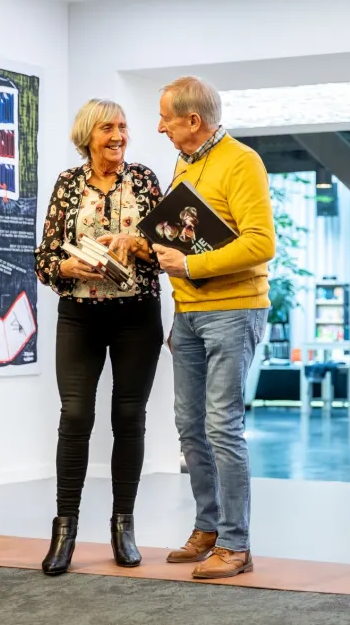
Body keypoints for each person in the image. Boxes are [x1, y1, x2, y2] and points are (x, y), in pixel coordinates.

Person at [34, 98, 165, 576]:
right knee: (75, 416)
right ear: (88, 134)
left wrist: (137, 244)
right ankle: (64, 530)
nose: (119, 135)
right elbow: (45, 257)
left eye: (124, 127)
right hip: (80, 316)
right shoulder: (68, 184)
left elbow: (169, 246)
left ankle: (123, 526)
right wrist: (64, 267)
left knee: (129, 418)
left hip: (137, 316)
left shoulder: (146, 180)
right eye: (108, 127)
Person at [152, 76, 275, 580]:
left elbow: (261, 242)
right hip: (189, 316)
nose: (159, 127)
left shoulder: (242, 161)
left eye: (166, 118)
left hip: (233, 310)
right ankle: (207, 527)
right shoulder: (184, 163)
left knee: (223, 426)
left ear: (192, 121)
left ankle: (236, 544)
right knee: (189, 426)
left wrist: (190, 268)